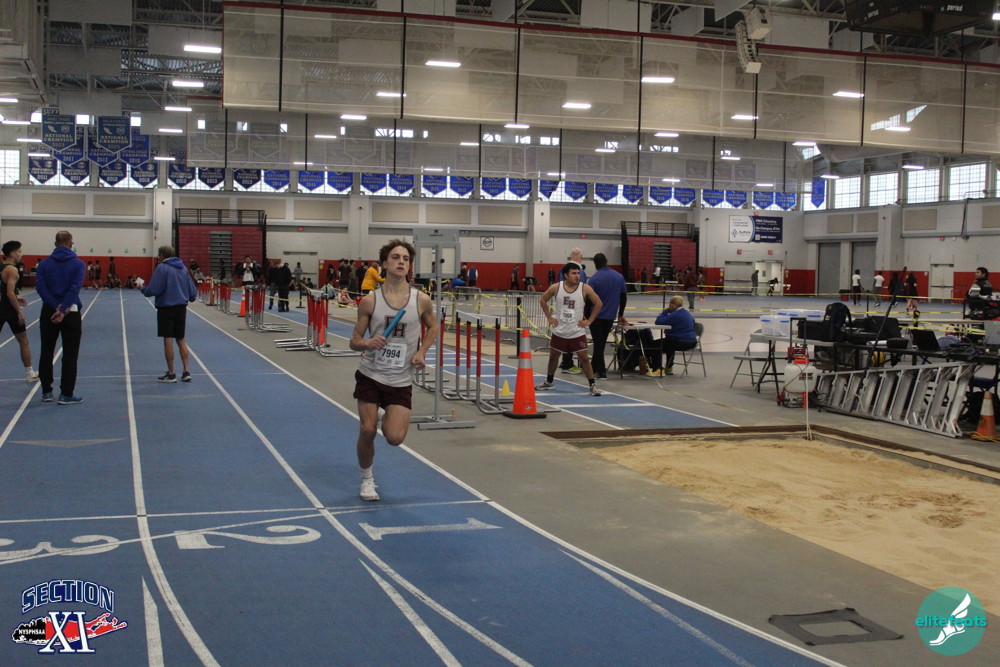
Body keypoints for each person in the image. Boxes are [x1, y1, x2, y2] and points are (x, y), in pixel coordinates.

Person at [349, 239, 437, 501]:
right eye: (396, 257)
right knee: (367, 430)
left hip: (400, 379)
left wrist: (422, 352)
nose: (401, 262)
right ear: (384, 263)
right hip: (371, 374)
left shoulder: (421, 300)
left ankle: (384, 414)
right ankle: (367, 479)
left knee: (394, 438)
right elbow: (354, 341)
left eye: (406, 259)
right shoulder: (370, 301)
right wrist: (368, 343)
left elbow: (433, 326)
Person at [536, 262, 603, 396]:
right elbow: (543, 300)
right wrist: (549, 317)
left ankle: (592, 385)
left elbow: (598, 303)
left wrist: (589, 321)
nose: (577, 276)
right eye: (573, 273)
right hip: (560, 330)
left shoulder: (585, 288)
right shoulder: (556, 287)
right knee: (553, 356)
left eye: (578, 273)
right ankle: (549, 381)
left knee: (584, 358)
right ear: (566, 275)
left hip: (576, 331)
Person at [35, 231, 86, 404]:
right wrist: (63, 309)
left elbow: (41, 287)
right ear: (71, 244)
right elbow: (75, 288)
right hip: (71, 312)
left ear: (55, 244)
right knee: (70, 353)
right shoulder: (78, 264)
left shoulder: (44, 264)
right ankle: (66, 393)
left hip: (49, 311)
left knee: (46, 351)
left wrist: (54, 306)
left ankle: (46, 391)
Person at [139, 245, 198, 383]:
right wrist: (189, 297)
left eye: (159, 256)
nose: (158, 258)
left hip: (166, 308)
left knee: (168, 340)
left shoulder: (162, 268)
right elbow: (192, 292)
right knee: (181, 339)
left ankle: (171, 373)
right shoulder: (183, 268)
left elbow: (154, 289)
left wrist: (142, 288)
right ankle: (186, 371)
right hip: (181, 308)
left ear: (162, 256)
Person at [0, 241, 40, 382]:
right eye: (19, 252)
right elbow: (9, 293)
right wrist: (19, 311)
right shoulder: (12, 270)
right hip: (9, 310)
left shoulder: (1, 267)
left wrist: (17, 298)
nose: (20, 255)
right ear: (12, 253)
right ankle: (29, 373)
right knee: (23, 340)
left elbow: (3, 291)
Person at [586, 253, 628, 379]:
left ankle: (601, 370)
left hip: (596, 316)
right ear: (606, 261)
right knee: (600, 343)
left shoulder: (593, 279)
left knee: (598, 344)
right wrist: (620, 314)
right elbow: (623, 297)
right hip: (610, 316)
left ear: (595, 264)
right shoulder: (619, 277)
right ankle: (593, 367)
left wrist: (587, 317)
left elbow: (588, 300)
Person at [654, 295, 698, 376]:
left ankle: (658, 368)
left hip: (682, 342)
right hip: (692, 341)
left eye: (671, 304)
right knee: (669, 341)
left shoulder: (676, 314)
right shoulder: (687, 313)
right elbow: (693, 323)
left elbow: (658, 321)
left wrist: (665, 311)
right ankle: (669, 367)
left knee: (654, 345)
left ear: (676, 305)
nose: (669, 306)